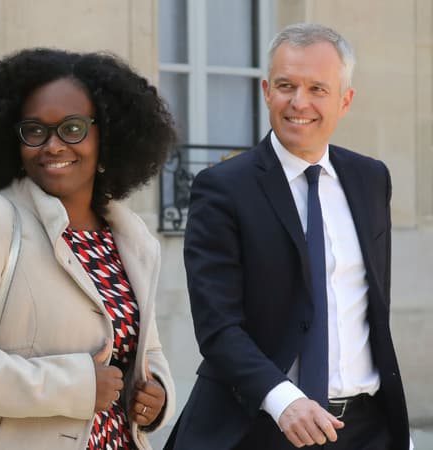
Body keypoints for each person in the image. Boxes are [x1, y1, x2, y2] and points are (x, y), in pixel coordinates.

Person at [0, 48, 177, 450]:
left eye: (72, 129)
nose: (52, 145)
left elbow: (144, 349)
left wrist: (157, 395)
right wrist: (77, 385)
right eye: (34, 131)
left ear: (107, 134)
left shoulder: (130, 236)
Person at [165, 23, 411, 450]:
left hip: (366, 428)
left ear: (345, 100)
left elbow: (368, 307)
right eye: (286, 86)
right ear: (265, 91)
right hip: (261, 426)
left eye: (318, 88)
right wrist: (284, 401)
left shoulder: (371, 179)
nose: (299, 102)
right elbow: (218, 327)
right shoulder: (222, 187)